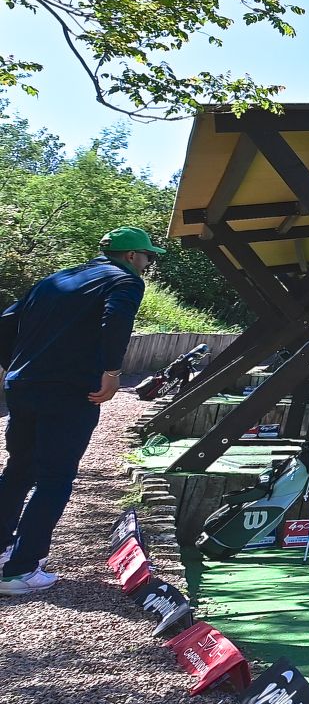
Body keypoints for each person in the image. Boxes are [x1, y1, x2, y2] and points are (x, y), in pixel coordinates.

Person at [0, 227, 164, 596]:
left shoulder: (59, 278)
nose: (148, 263)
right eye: (148, 256)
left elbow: (7, 320)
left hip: (24, 386)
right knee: (55, 478)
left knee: (18, 471)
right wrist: (112, 371)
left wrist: (7, 365)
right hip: (71, 391)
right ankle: (20, 570)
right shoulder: (125, 281)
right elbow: (115, 321)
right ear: (130, 256)